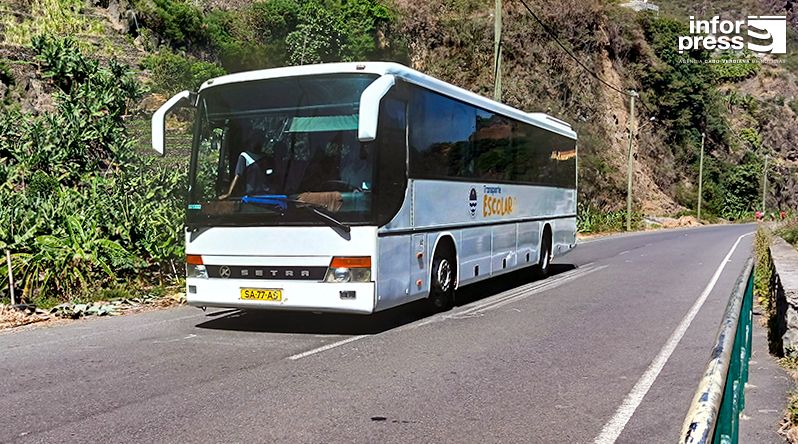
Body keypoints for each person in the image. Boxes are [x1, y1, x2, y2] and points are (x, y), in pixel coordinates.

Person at [219, 129, 271, 200]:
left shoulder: (266, 158)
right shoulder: (244, 156)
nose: (257, 143)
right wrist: (229, 193)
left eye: (259, 140)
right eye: (255, 140)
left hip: (266, 196)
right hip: (251, 197)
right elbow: (237, 176)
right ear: (250, 142)